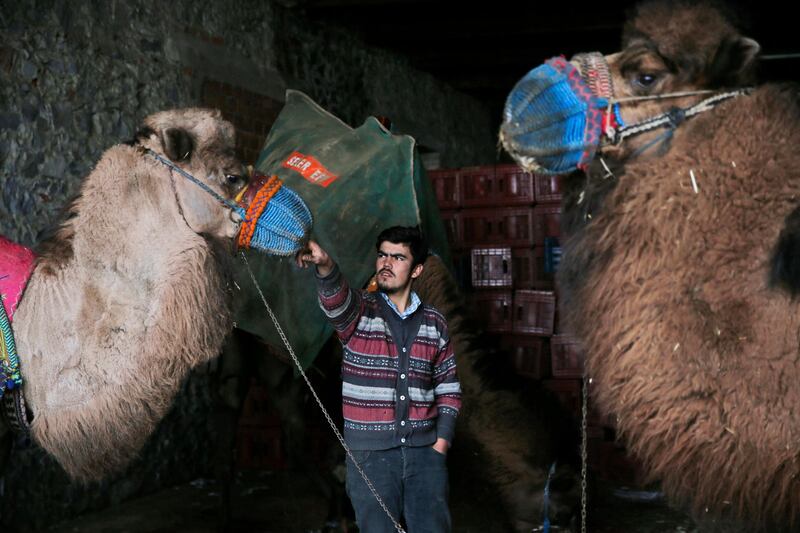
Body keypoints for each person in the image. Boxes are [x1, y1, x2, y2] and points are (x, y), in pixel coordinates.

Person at [296, 226, 461, 533]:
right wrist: (325, 266)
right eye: (383, 254)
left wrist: (441, 442)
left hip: (425, 454)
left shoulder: (434, 322)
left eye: (398, 257)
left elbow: (448, 387)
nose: (387, 263)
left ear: (417, 269)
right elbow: (335, 300)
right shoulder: (359, 313)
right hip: (371, 457)